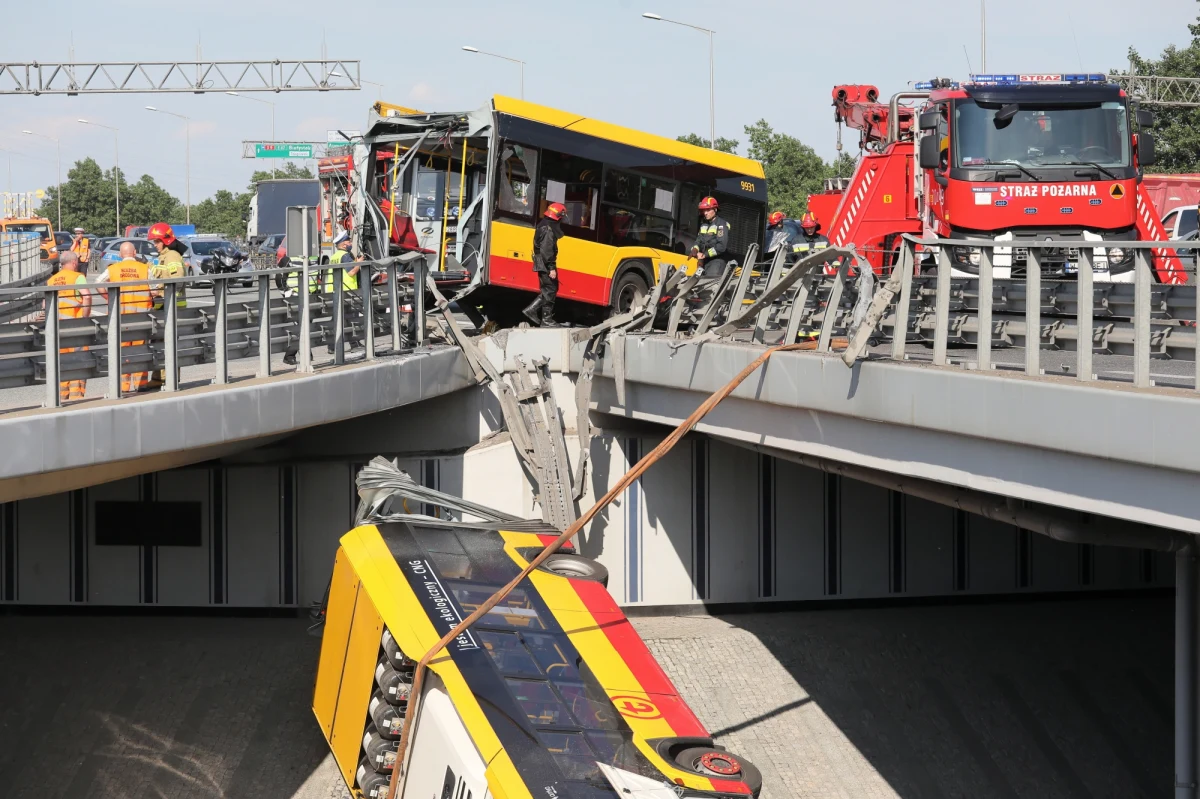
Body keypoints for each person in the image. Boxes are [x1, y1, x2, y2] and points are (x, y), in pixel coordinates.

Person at [95, 241, 153, 394]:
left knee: (122, 351)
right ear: (135, 253)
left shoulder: (113, 269)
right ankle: (141, 384)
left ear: (120, 255)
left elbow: (98, 282)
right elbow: (156, 290)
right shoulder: (145, 268)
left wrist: (109, 298)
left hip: (120, 318)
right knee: (140, 349)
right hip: (141, 317)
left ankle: (123, 386)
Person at [45, 250, 92, 402]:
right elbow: (87, 296)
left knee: (62, 361)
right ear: (73, 263)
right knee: (78, 361)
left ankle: (62, 396)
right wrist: (85, 316)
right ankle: (76, 397)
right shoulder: (78, 277)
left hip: (58, 328)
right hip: (76, 327)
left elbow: (45, 304)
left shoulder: (52, 280)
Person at [523, 202, 566, 327]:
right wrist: (551, 268)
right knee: (550, 289)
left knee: (548, 289)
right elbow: (547, 251)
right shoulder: (548, 229)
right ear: (558, 216)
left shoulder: (544, 224)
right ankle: (544, 318)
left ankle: (536, 313)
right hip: (545, 264)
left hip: (541, 262)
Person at [691, 197, 730, 277]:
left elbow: (721, 246)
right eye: (704, 210)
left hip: (717, 263)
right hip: (704, 262)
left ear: (715, 210)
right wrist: (695, 249)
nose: (705, 213)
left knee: (710, 287)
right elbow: (698, 240)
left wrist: (705, 254)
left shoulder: (721, 225)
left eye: (708, 210)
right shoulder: (704, 225)